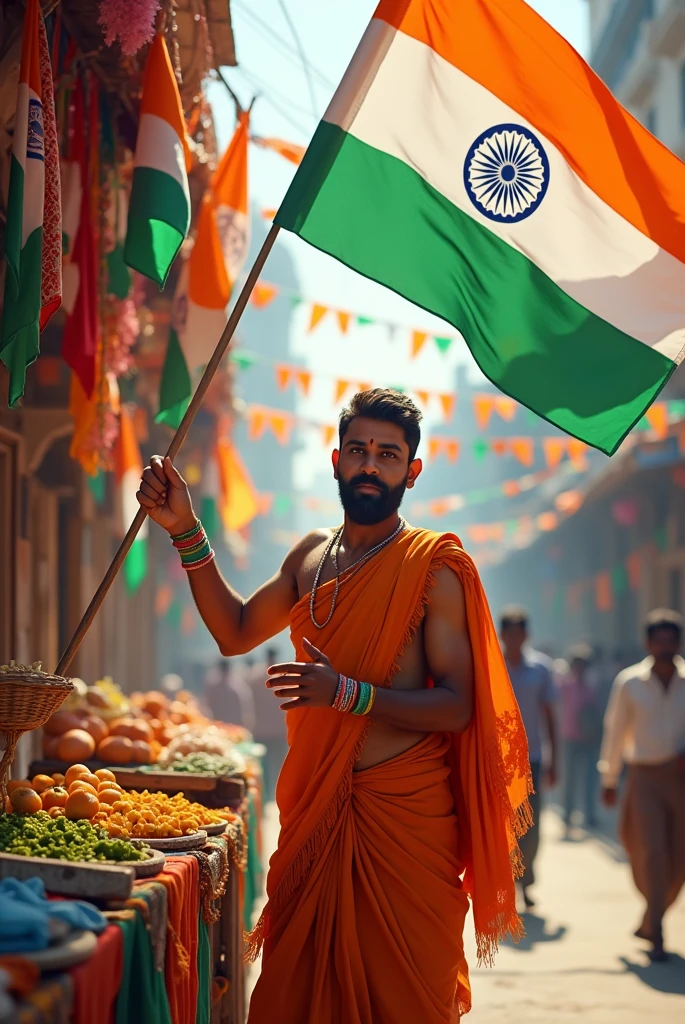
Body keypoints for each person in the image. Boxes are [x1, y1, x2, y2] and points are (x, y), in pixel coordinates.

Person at [136, 388, 531, 1023]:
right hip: (317, 813)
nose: (371, 466)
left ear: (413, 470)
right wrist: (185, 528)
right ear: (337, 460)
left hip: (405, 823)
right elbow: (235, 630)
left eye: (388, 454)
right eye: (359, 451)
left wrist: (347, 693)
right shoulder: (310, 558)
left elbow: (458, 706)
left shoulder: (435, 569)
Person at [599, 608, 685, 962]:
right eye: (659, 640)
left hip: (681, 778)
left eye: (671, 640)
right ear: (648, 643)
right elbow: (616, 729)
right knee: (651, 850)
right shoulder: (630, 683)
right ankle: (658, 931)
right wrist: (609, 777)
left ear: (678, 643)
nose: (665, 647)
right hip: (644, 776)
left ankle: (652, 918)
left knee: (680, 856)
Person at [500, 606, 558, 910]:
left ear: (525, 635)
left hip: (532, 759)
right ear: (502, 635)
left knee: (531, 826)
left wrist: (554, 760)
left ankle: (527, 878)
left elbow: (550, 717)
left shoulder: (541, 669)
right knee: (504, 826)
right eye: (508, 633)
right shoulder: (491, 667)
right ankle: (508, 882)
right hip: (498, 762)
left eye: (518, 633)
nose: (513, 639)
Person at [557, 643, 601, 837]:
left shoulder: (593, 686)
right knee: (569, 779)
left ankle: (590, 815)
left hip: (589, 739)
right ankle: (567, 815)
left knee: (590, 779)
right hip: (569, 737)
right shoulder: (564, 685)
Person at [247, 646, 289, 802]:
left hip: (261, 729)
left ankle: (266, 796)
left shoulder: (256, 677)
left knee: (264, 766)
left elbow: (249, 703)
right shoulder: (286, 676)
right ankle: (276, 795)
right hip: (279, 729)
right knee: (278, 764)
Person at [203, 657, 256, 735]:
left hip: (219, 729)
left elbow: (206, 707)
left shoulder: (213, 686)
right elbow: (246, 710)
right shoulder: (238, 686)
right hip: (233, 728)